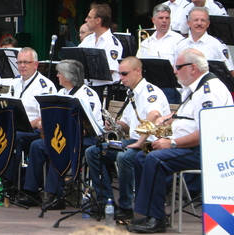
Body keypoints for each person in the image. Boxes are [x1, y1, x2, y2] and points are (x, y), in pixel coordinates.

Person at [128, 49, 232, 233]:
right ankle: (145, 213)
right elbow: (184, 116)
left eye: (177, 67)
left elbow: (206, 132)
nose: (174, 71)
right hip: (186, 146)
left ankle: (157, 219)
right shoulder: (196, 87)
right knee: (141, 156)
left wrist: (172, 143)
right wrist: (165, 121)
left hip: (203, 150)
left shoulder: (209, 91)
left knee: (155, 159)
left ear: (192, 68)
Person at [85, 57, 170, 223]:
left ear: (138, 71)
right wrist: (113, 125)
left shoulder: (150, 92)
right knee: (94, 151)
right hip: (133, 141)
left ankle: (125, 207)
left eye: (124, 73)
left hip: (151, 144)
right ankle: (106, 201)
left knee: (124, 156)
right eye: (120, 74)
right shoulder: (132, 93)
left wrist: (139, 142)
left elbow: (153, 116)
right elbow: (126, 123)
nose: (121, 77)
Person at [0, 47, 56, 196]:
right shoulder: (14, 83)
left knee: (12, 138)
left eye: (26, 62)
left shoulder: (45, 85)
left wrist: (27, 125)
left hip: (32, 130)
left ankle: (7, 182)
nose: (22, 66)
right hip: (12, 127)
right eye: (19, 62)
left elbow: (48, 116)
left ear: (35, 64)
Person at [19, 59, 103, 209]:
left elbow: (89, 126)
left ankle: (56, 195)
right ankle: (31, 192)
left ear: (69, 77)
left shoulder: (88, 95)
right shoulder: (61, 93)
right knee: (37, 145)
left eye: (60, 73)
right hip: (64, 136)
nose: (57, 75)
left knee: (59, 146)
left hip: (86, 138)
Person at [136, 4, 183, 103]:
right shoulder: (146, 42)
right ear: (153, 20)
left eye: (167, 18)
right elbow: (137, 65)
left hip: (170, 89)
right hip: (148, 87)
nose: (164, 20)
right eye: (161, 18)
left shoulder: (179, 40)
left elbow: (182, 66)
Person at [174, 7, 234, 77]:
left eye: (203, 20)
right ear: (188, 23)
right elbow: (177, 71)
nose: (199, 23)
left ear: (208, 23)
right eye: (195, 20)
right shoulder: (180, 45)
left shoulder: (217, 45)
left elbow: (230, 71)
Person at [79, 3, 123, 96]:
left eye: (89, 17)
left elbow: (108, 71)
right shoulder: (88, 39)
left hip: (103, 90)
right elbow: (77, 58)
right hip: (87, 87)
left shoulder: (112, 43)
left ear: (98, 20)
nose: (86, 20)